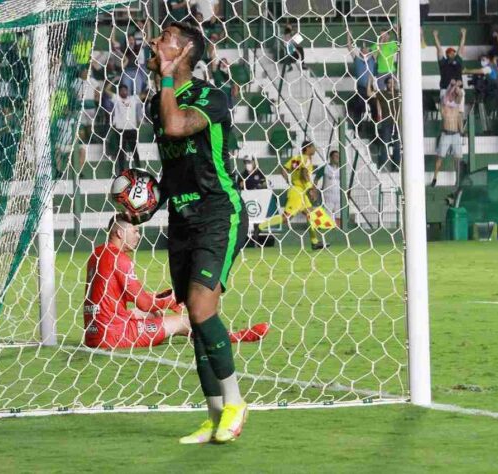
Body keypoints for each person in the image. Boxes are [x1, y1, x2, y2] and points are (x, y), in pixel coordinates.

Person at [147, 21, 250, 443]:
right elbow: (173, 163)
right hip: (182, 217)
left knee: (201, 305)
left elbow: (177, 127)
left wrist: (167, 74)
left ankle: (236, 403)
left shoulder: (212, 96)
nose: (155, 41)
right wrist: (148, 199)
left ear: (186, 50)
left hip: (218, 213)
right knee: (193, 314)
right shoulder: (158, 101)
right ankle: (214, 417)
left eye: (165, 39)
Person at [84, 216, 269, 349]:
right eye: (135, 231)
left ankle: (194, 334)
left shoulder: (96, 254)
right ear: (118, 232)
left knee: (152, 313)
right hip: (115, 336)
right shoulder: (120, 259)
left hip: (94, 332)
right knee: (184, 320)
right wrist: (172, 299)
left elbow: (129, 299)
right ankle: (235, 337)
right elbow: (144, 303)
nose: (138, 236)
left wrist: (160, 299)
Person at [256, 141, 325, 250]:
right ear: (307, 148)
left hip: (299, 190)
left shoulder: (297, 158)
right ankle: (260, 226)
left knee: (310, 213)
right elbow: (304, 173)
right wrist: (310, 189)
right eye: (313, 147)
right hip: (298, 193)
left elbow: (284, 169)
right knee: (285, 219)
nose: (315, 149)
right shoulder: (306, 159)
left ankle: (314, 242)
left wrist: (289, 181)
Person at [432, 80, 465, 187]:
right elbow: (446, 96)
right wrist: (454, 85)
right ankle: (435, 178)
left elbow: (460, 95)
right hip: (445, 134)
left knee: (458, 158)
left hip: (455, 134)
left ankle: (458, 180)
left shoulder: (456, 106)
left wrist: (457, 87)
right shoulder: (444, 105)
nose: (453, 95)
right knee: (440, 157)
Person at [368, 75, 401, 171]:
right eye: (389, 82)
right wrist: (369, 80)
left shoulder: (399, 94)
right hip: (387, 123)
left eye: (393, 82)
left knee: (397, 145)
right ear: (386, 84)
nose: (391, 84)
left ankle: (396, 166)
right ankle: (382, 165)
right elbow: (369, 93)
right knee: (384, 144)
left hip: (397, 123)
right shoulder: (382, 94)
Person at [110, 84, 143, 175]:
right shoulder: (117, 99)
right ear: (119, 92)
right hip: (120, 130)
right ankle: (121, 171)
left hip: (132, 129)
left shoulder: (133, 98)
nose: (124, 92)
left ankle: (139, 169)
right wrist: (113, 80)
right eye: (122, 90)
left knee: (135, 151)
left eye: (125, 90)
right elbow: (106, 90)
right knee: (121, 151)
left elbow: (144, 95)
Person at [346, 34, 376, 127]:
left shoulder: (372, 60)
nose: (364, 50)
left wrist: (381, 37)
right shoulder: (357, 60)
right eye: (362, 49)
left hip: (370, 88)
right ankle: (357, 128)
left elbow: (379, 47)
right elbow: (349, 46)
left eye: (366, 49)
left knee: (374, 107)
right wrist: (348, 35)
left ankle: (374, 127)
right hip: (360, 88)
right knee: (359, 107)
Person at [433, 28, 466, 109]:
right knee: (446, 113)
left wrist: (464, 35)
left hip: (458, 90)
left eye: (453, 53)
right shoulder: (443, 62)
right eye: (450, 53)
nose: (452, 54)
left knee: (460, 113)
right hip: (445, 89)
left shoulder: (458, 61)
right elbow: (439, 49)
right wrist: (435, 36)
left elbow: (461, 47)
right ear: (447, 54)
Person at [314, 150, 342, 228]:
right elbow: (316, 179)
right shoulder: (325, 168)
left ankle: (338, 231)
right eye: (335, 156)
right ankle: (326, 231)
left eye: (338, 156)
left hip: (339, 196)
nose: (338, 157)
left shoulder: (342, 169)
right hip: (327, 196)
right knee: (326, 216)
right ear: (331, 157)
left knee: (339, 216)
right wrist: (314, 191)